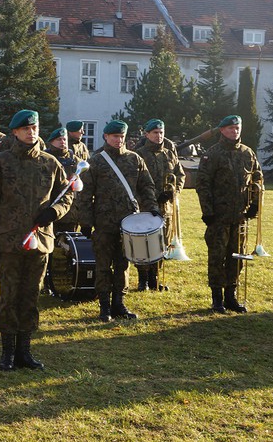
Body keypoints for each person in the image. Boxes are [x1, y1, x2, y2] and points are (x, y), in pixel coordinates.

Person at [0, 110, 73, 371]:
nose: (32, 132)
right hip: (8, 242)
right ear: (15, 132)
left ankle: (25, 351)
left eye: (35, 127)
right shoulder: (1, 163)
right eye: (26, 128)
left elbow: (65, 195)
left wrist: (54, 212)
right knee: (9, 296)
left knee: (30, 296)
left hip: (39, 242)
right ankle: (7, 352)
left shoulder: (50, 163)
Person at [77, 120, 158, 322]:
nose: (118, 140)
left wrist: (152, 207)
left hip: (128, 222)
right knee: (103, 266)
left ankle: (119, 303)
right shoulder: (96, 161)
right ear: (106, 137)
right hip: (103, 223)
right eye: (115, 136)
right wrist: (86, 222)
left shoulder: (135, 159)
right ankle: (104, 306)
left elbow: (146, 186)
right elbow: (85, 194)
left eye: (121, 136)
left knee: (123, 265)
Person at [196, 115, 261, 314]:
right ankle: (217, 298)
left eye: (237, 128)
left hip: (240, 216)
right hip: (219, 217)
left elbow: (257, 180)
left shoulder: (247, 153)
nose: (235, 131)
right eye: (231, 128)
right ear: (222, 130)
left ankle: (231, 296)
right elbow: (203, 184)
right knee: (217, 257)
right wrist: (208, 212)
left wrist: (255, 205)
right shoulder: (212, 154)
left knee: (237, 257)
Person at [134, 118, 185, 291]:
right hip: (145, 207)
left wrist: (173, 192)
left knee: (162, 243)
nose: (159, 136)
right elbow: (135, 182)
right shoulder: (138, 154)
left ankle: (155, 278)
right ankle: (143, 280)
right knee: (144, 243)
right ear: (147, 134)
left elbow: (180, 175)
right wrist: (155, 196)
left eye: (161, 132)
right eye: (155, 133)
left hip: (166, 208)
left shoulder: (169, 154)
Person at [45, 127, 81, 234]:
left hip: (71, 211)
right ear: (51, 142)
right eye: (59, 139)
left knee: (69, 246)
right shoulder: (46, 159)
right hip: (49, 210)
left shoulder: (75, 161)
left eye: (64, 139)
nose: (62, 142)